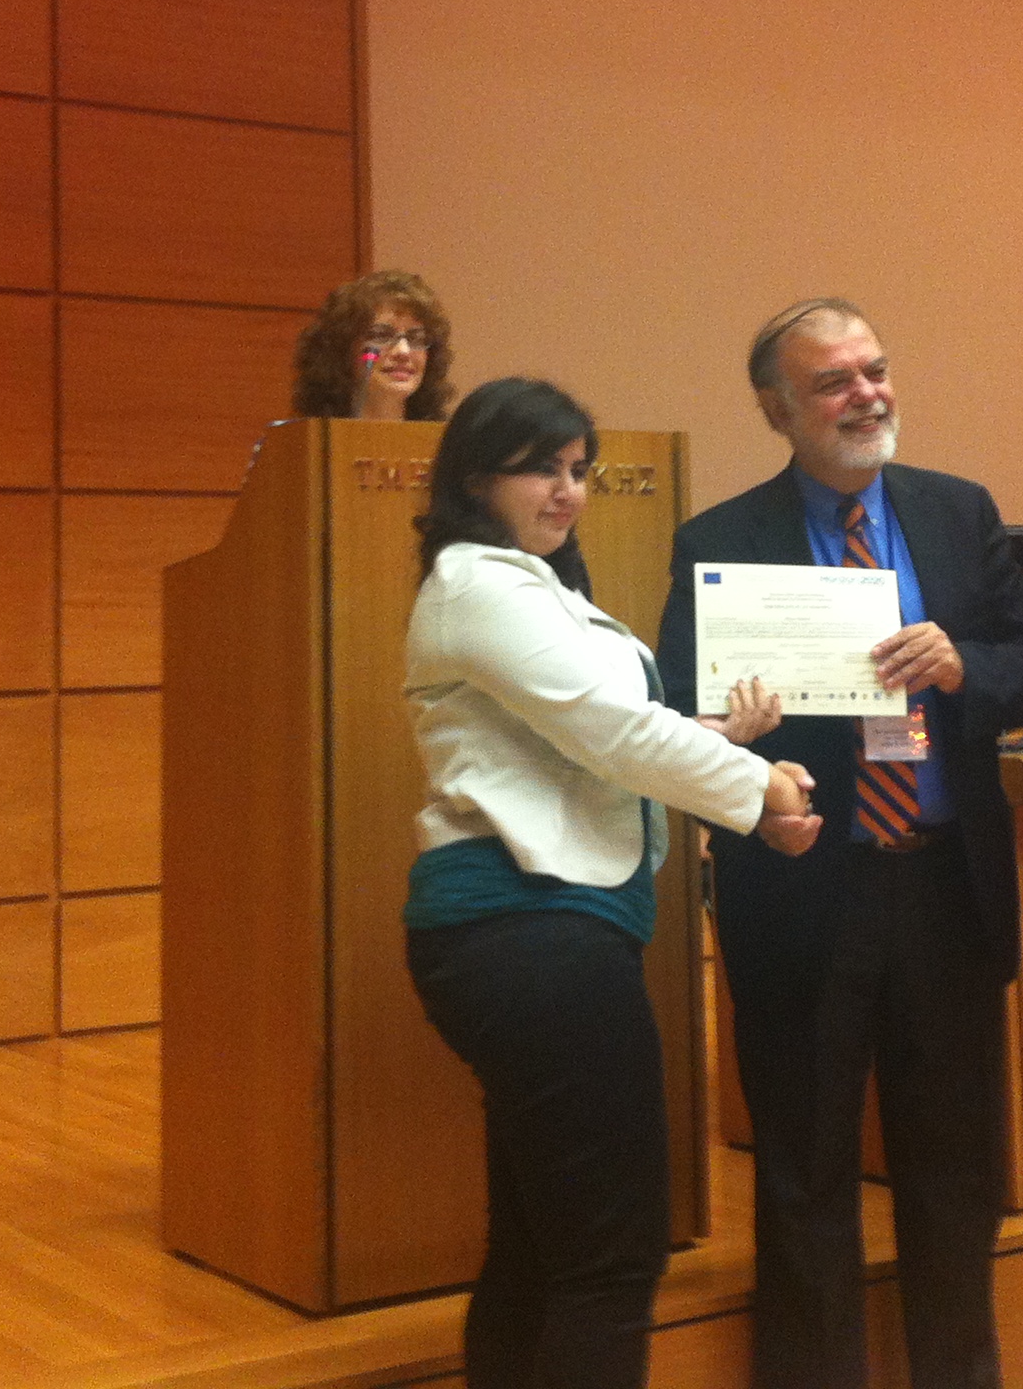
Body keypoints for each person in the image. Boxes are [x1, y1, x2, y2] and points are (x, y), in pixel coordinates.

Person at [657, 298, 1023, 1389]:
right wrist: (733, 744)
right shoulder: (718, 542)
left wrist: (965, 666)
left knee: (956, 1179)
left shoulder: (956, 511)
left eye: (874, 370)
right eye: (834, 382)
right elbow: (676, 726)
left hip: (944, 892)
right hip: (802, 893)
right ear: (776, 408)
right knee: (803, 1181)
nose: (866, 395)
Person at [403, 376, 824, 1389]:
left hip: (535, 933)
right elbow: (613, 734)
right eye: (540, 468)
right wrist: (758, 790)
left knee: (539, 1253)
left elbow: (589, 744)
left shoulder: (526, 586)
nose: (568, 491)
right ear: (476, 477)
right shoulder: (478, 583)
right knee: (612, 1256)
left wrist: (718, 741)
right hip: (529, 929)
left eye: (578, 469)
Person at [293, 268, 455, 421]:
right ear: (342, 349)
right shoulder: (306, 438)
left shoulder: (449, 438)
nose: (403, 351)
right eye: (381, 335)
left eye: (416, 338)